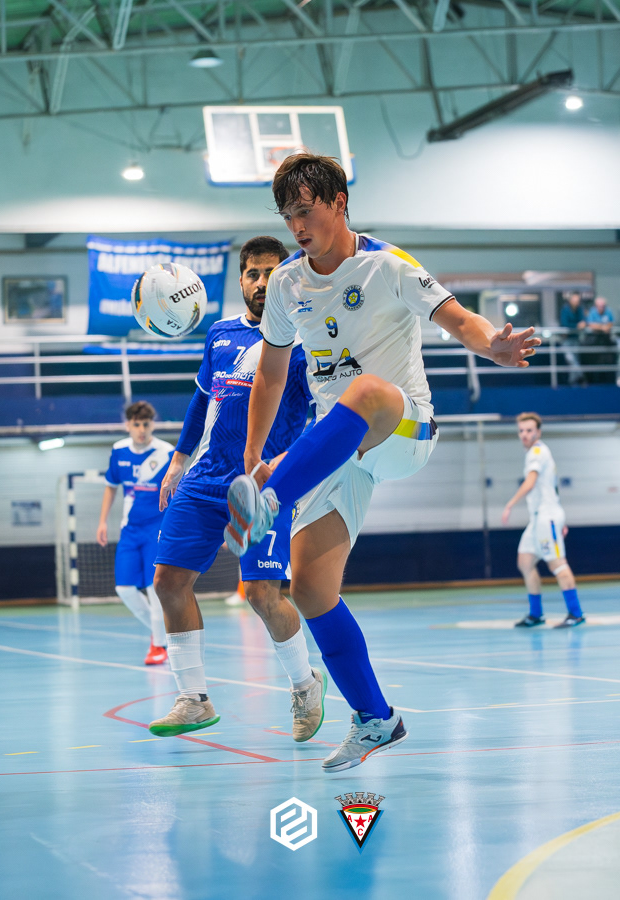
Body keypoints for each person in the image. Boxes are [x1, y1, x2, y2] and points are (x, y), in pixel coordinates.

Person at [224, 153, 539, 772]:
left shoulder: (389, 266)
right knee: (310, 589)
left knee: (365, 390)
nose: (297, 226)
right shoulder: (285, 285)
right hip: (339, 448)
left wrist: (494, 347)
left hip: (403, 426)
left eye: (306, 211)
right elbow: (271, 373)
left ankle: (270, 502)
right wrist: (254, 453)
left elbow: (459, 319)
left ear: (339, 202)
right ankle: (375, 718)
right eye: (288, 217)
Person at [146, 236, 324, 742]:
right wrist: (178, 460)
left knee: (262, 593)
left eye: (272, 272)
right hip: (205, 478)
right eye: (253, 274)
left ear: (288, 277)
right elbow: (202, 400)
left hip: (266, 484)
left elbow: (324, 416)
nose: (262, 282)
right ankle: (193, 699)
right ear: (241, 280)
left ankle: (305, 685)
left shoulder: (306, 340)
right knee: (168, 582)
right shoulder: (221, 334)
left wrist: (288, 465)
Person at [98, 401, 173, 665]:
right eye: (137, 424)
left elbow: (177, 491)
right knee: (124, 589)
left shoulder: (167, 453)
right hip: (129, 530)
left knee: (154, 587)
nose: (142, 429)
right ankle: (161, 633)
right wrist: (102, 521)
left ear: (153, 424)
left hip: (157, 528)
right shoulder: (119, 450)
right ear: (127, 425)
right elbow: (111, 486)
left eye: (146, 424)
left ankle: (159, 646)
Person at [501, 413, 584, 628]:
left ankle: (576, 614)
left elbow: (530, 482)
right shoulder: (535, 453)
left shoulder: (537, 452)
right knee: (525, 562)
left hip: (547, 517)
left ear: (538, 432)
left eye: (529, 430)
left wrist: (510, 504)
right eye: (521, 431)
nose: (524, 434)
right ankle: (536, 614)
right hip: (539, 518)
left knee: (557, 563)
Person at [582, 295, 616, 384]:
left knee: (607, 362)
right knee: (593, 362)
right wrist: (602, 327)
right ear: (596, 306)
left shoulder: (608, 311)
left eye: (603, 306)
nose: (601, 308)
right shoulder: (592, 312)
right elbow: (590, 324)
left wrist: (605, 327)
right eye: (600, 306)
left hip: (605, 341)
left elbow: (611, 323)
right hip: (594, 341)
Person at [558, 292, 586, 385]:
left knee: (575, 360)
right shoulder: (565, 310)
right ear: (570, 301)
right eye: (574, 300)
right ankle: (581, 376)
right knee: (570, 359)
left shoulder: (580, 309)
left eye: (578, 301)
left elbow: (583, 320)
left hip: (575, 338)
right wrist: (576, 326)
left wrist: (583, 324)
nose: (576, 302)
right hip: (566, 339)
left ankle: (573, 381)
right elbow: (564, 324)